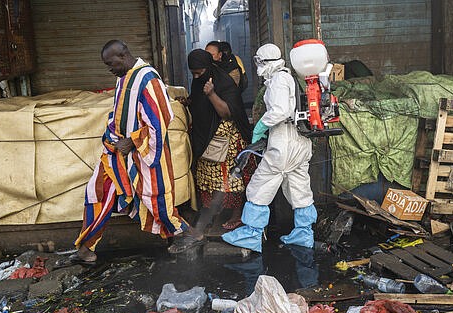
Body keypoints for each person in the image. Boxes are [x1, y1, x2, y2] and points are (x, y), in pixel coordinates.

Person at [59, 40, 202, 265]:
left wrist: (133, 142)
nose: (109, 69)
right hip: (116, 153)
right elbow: (119, 114)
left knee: (156, 200)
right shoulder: (123, 78)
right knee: (96, 192)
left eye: (110, 63)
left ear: (123, 56)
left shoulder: (148, 79)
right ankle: (86, 247)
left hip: (144, 153)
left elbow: (162, 120)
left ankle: (187, 235)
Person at [222, 43, 317, 253]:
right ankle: (304, 233)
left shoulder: (277, 80)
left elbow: (281, 111)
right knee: (299, 187)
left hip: (283, 141)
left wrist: (261, 126)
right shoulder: (289, 77)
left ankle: (251, 234)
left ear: (263, 62)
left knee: (259, 186)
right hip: (300, 142)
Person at [185, 49, 253, 234]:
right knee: (208, 176)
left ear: (208, 67)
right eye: (193, 73)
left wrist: (211, 94)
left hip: (226, 137)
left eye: (199, 72)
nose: (196, 76)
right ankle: (213, 212)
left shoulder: (224, 82)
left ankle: (236, 213)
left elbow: (227, 112)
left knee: (229, 177)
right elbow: (200, 104)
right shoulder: (199, 80)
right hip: (205, 135)